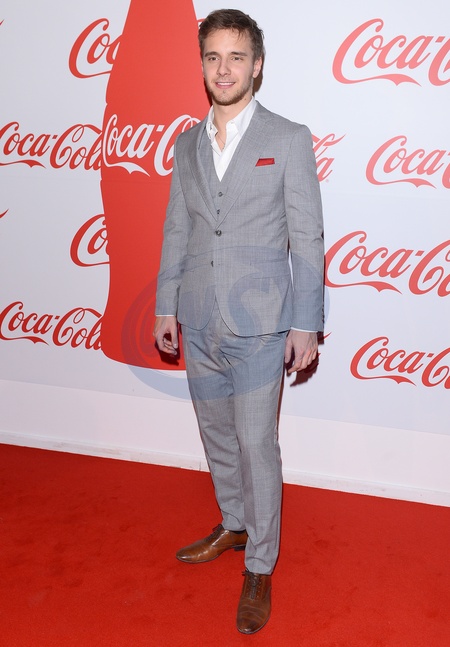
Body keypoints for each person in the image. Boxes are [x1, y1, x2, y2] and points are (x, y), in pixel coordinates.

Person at [153, 8, 324, 634]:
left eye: (236, 57)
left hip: (261, 324)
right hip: (198, 316)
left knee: (257, 444)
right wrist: (166, 304)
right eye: (213, 57)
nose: (223, 69)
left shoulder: (288, 138)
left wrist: (306, 323)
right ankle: (234, 524)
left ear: (257, 66)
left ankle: (260, 565)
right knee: (218, 437)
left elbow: (308, 237)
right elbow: (178, 229)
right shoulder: (186, 144)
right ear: (202, 64)